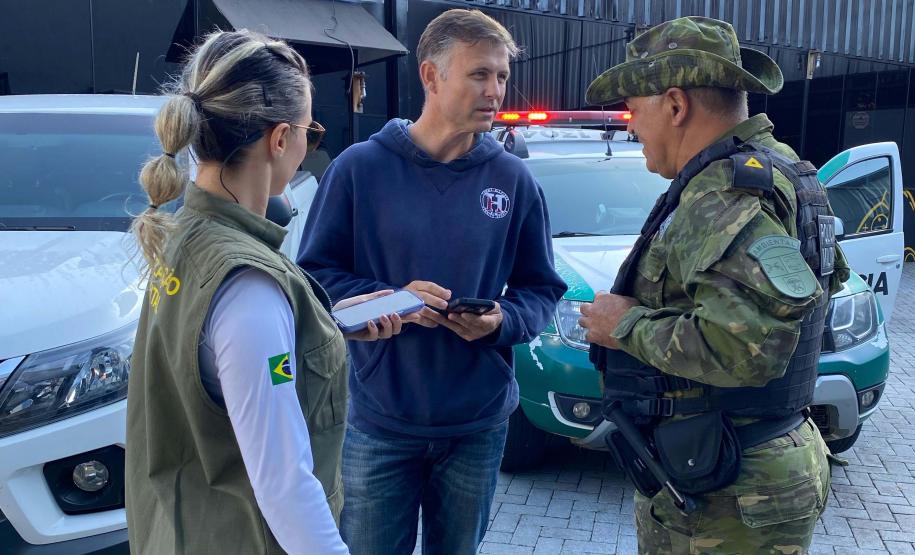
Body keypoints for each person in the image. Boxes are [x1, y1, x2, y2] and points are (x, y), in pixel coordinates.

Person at [298, 8, 567, 555]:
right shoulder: (359, 169)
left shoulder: (513, 179)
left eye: (501, 76)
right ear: (430, 76)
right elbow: (314, 279)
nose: (495, 91)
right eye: (479, 74)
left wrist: (502, 321)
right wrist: (390, 300)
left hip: (478, 424)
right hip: (379, 421)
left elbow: (541, 288)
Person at [125, 29, 404, 554]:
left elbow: (225, 364)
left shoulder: (182, 234)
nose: (307, 145)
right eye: (310, 131)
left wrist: (324, 323)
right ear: (279, 139)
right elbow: (284, 484)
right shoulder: (247, 284)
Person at [578, 16, 850, 554]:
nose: (630, 127)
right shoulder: (785, 170)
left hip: (728, 486)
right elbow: (813, 295)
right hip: (745, 459)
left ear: (675, 106)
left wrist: (624, 325)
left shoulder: (723, 193)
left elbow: (748, 349)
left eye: (634, 109)